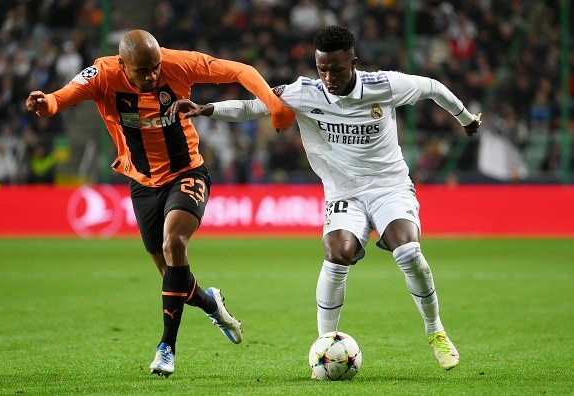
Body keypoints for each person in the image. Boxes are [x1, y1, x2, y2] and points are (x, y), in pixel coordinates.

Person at [170, 25, 481, 372]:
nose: (329, 77)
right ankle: (324, 345)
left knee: (407, 250)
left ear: (353, 62)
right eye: (322, 68)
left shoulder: (384, 86)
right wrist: (206, 108)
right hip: (343, 191)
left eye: (336, 68)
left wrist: (466, 120)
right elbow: (251, 107)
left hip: (388, 185)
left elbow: (433, 88)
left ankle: (434, 329)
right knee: (337, 253)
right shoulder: (304, 92)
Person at [25, 29, 295, 378]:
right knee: (173, 278)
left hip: (188, 171)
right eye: (142, 71)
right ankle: (211, 303)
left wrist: (274, 105)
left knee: (174, 242)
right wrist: (44, 104)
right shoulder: (103, 74)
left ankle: (166, 346)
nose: (152, 75)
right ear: (123, 65)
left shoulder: (178, 63)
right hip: (142, 183)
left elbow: (239, 70)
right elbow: (59, 100)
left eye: (155, 67)